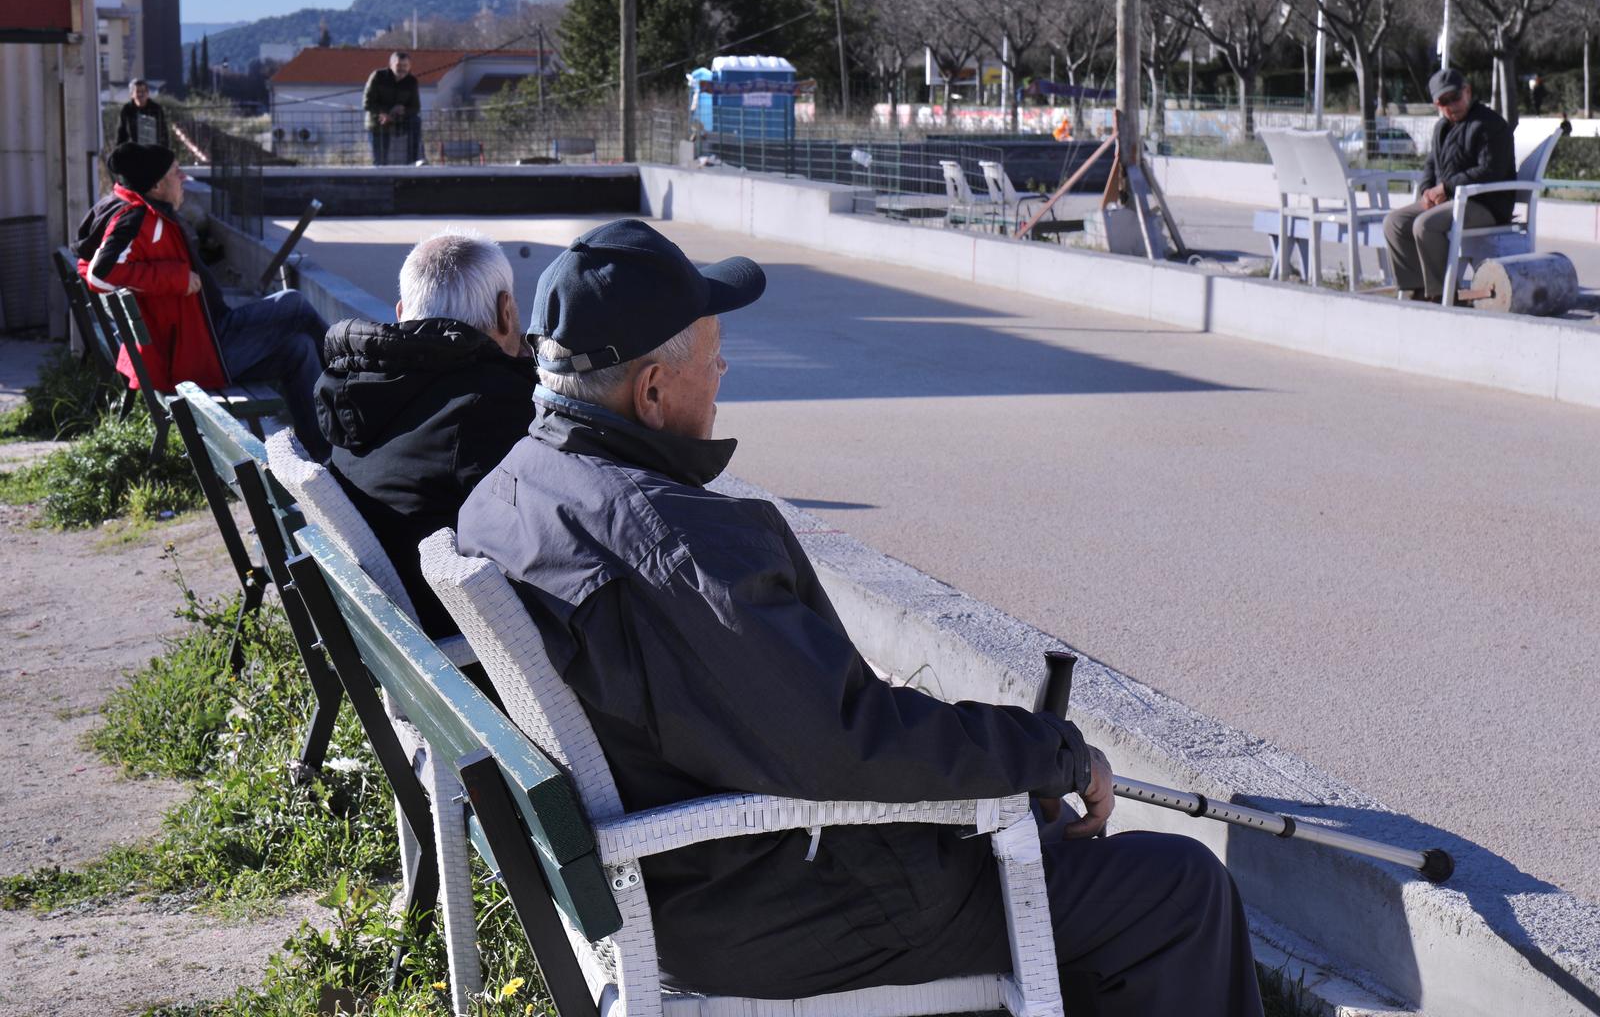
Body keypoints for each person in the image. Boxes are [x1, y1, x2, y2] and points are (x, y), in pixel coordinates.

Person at [456, 220, 1264, 1016]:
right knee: (1177, 891)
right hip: (775, 906)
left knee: (1050, 849)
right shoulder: (676, 543)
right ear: (654, 392)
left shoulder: (510, 491)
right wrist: (1052, 753)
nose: (725, 367)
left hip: (684, 880)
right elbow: (847, 743)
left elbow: (781, 712)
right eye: (711, 353)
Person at [315, 231, 535, 638]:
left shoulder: (356, 389)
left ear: (402, 313)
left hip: (395, 642)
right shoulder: (491, 406)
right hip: (467, 658)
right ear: (507, 312)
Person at [75, 142, 332, 460]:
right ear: (156, 185)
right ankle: (352, 370)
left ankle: (322, 455)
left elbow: (87, 263)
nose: (183, 177)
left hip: (199, 340)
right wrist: (176, 278)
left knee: (301, 349)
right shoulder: (138, 218)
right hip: (198, 352)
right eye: (174, 172)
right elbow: (100, 273)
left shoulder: (136, 209)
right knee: (292, 302)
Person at [1382, 69, 1515, 303]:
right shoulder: (1441, 128)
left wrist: (1446, 188)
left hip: (1485, 204)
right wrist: (1427, 190)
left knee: (1426, 225)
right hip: (1451, 201)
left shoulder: (1491, 124)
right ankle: (1417, 289)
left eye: (1455, 97)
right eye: (1443, 102)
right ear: (1436, 104)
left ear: (1467, 92)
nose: (1451, 105)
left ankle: (1443, 295)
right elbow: (1431, 164)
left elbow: (1490, 170)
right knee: (1395, 222)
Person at [363, 51, 421, 166]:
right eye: (399, 65)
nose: (402, 69)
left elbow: (415, 107)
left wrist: (402, 110)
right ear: (391, 65)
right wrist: (385, 112)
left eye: (405, 66)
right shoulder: (378, 76)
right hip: (378, 123)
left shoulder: (411, 81)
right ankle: (380, 178)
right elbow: (367, 103)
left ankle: (413, 163)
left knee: (416, 121)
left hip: (400, 121)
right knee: (381, 161)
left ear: (410, 66)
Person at [115, 78, 168, 147]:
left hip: (152, 149)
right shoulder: (127, 109)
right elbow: (122, 133)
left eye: (143, 91)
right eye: (137, 91)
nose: (140, 94)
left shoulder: (156, 109)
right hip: (133, 150)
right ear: (132, 95)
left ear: (147, 93)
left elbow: (163, 133)